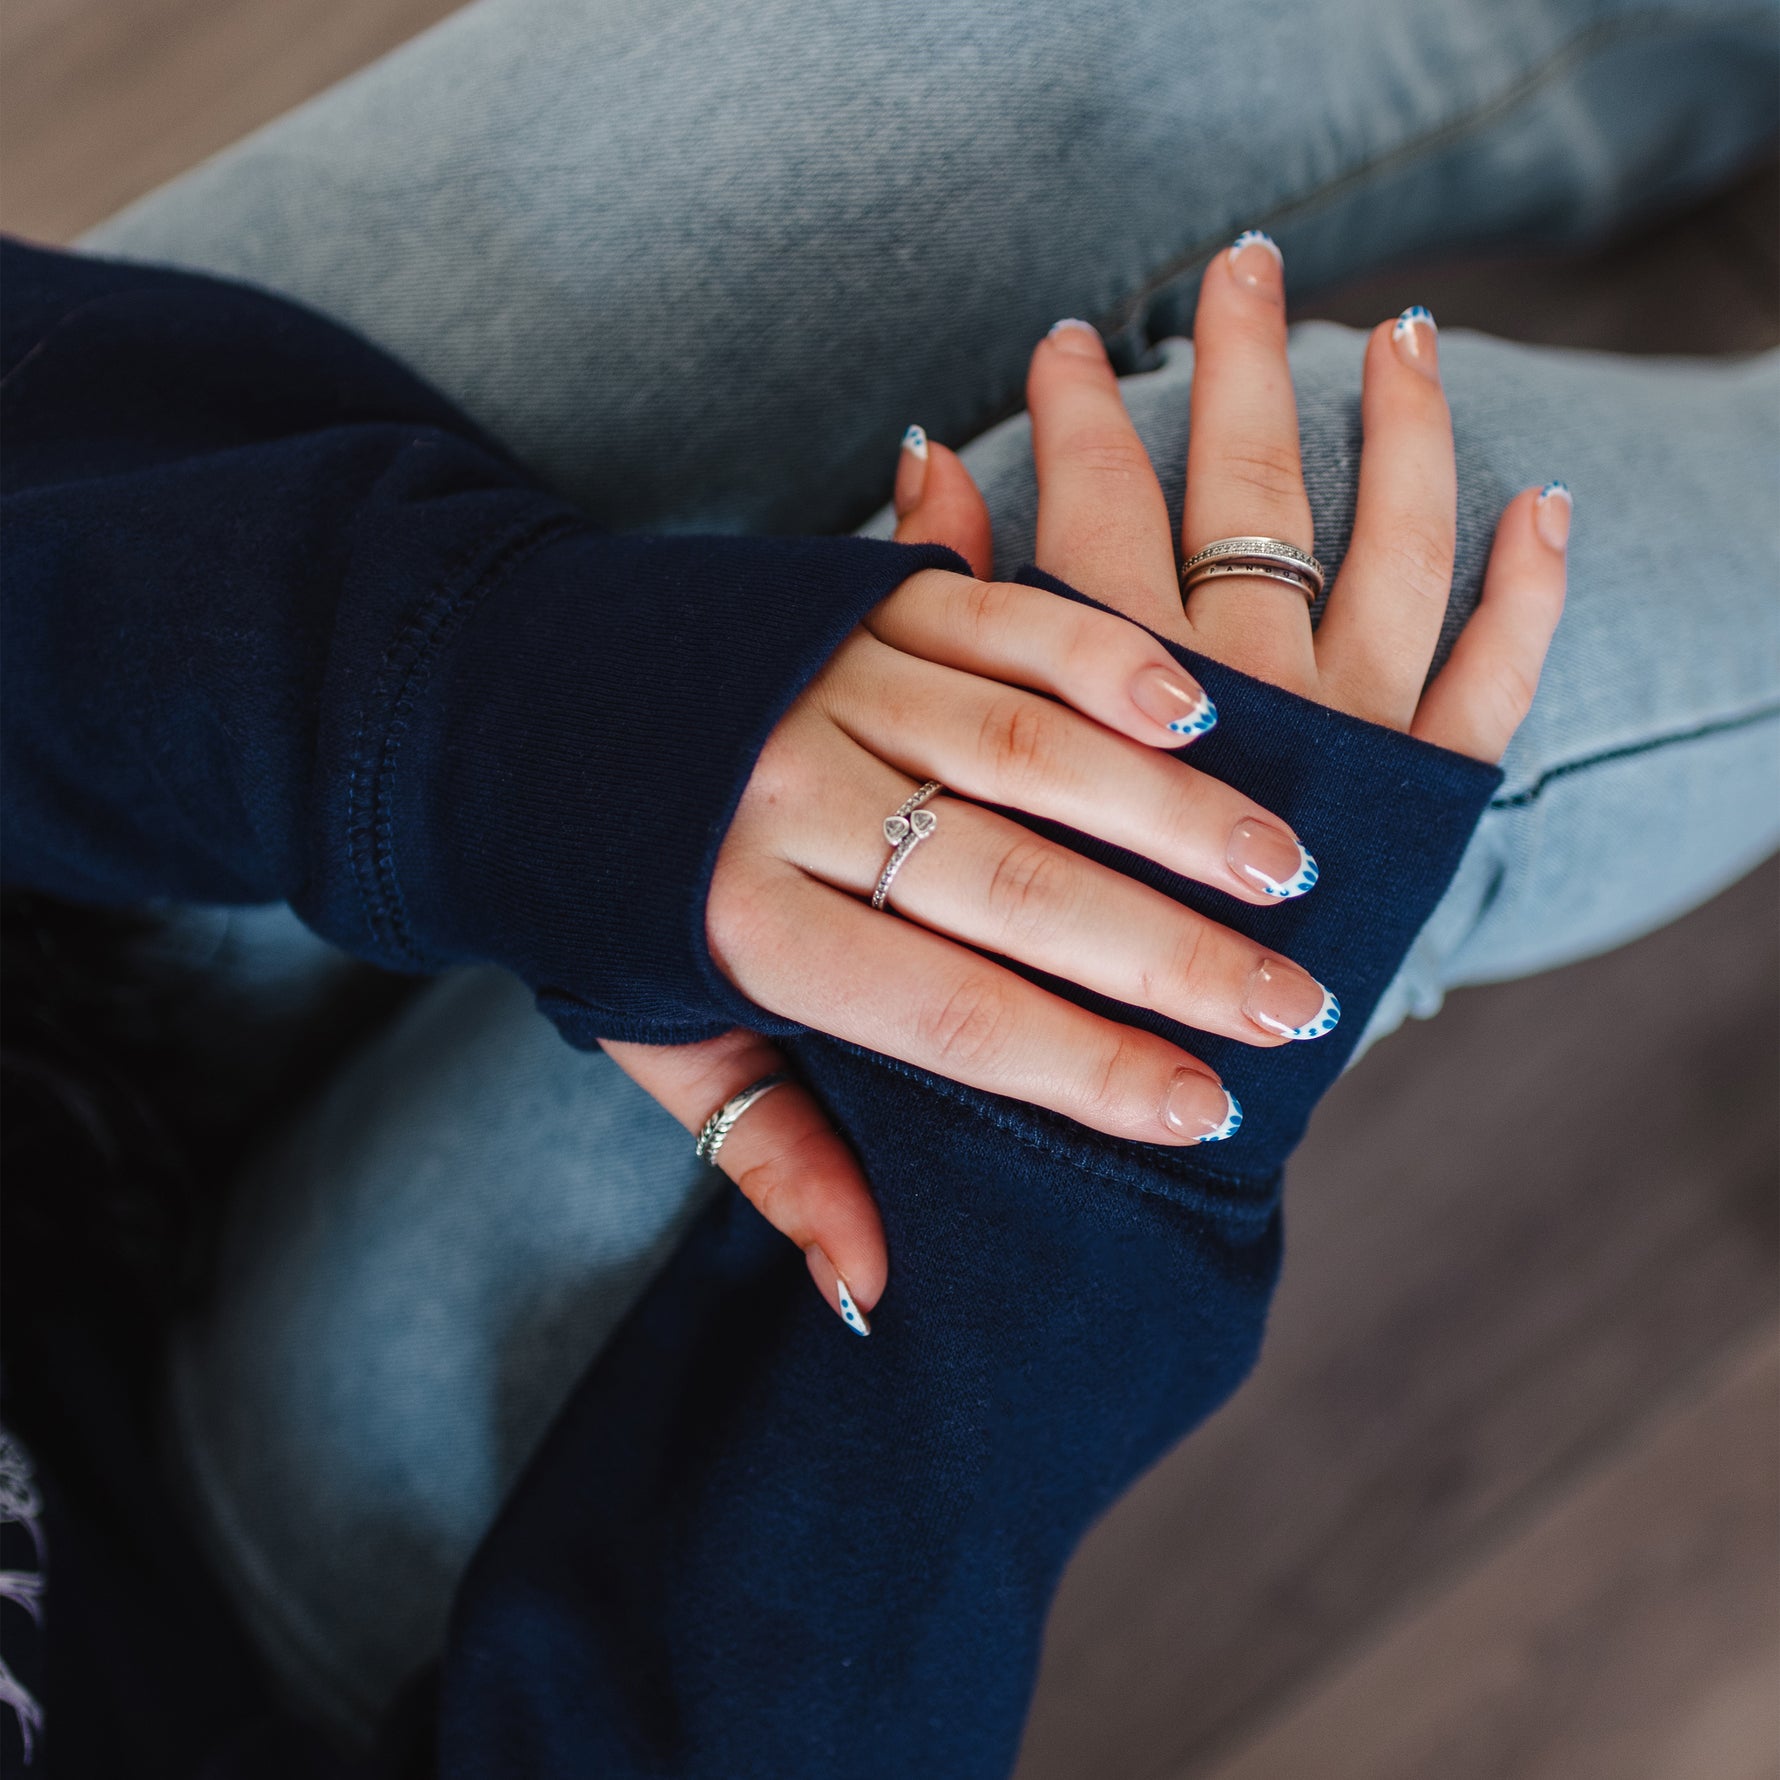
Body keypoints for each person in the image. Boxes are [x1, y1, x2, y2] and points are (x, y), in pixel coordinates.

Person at [2, 0, 1777, 1771]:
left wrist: (497, 715)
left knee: (937, 79)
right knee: (1279, 645)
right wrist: (1057, 1191)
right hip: (244, 1604)